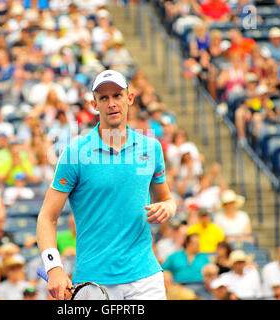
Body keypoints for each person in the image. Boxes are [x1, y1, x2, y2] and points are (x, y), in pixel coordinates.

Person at [36, 70, 177, 300]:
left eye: (117, 96)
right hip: (93, 282)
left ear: (129, 98)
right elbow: (47, 217)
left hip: (145, 278)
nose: (111, 103)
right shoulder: (75, 153)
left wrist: (168, 208)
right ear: (94, 104)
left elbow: (167, 199)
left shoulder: (151, 149)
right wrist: (54, 268)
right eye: (104, 98)